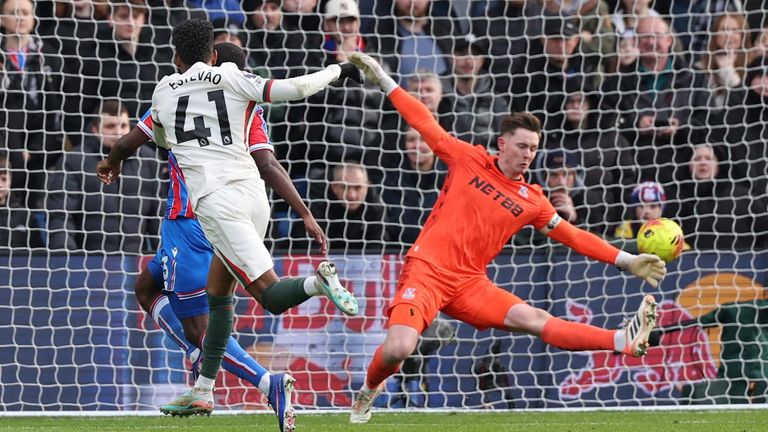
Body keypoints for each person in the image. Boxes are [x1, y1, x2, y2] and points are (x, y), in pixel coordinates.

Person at [346, 53, 667, 423]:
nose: (529, 154)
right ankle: (369, 390)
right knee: (398, 349)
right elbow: (423, 121)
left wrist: (626, 260)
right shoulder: (468, 159)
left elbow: (574, 236)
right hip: (427, 271)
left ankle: (621, 340)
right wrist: (384, 79)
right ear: (503, 143)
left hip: (470, 284)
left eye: (533, 148)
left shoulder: (532, 200)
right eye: (522, 146)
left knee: (534, 318)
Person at [95, 18, 363, 427]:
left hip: (199, 217)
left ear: (177, 56)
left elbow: (134, 140)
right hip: (251, 202)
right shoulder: (242, 96)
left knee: (250, 305)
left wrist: (110, 161)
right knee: (190, 292)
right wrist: (337, 69)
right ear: (219, 59)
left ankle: (300, 312)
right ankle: (203, 389)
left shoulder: (166, 92)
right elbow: (273, 148)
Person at [47, 101, 162, 253]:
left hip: (134, 261)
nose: (118, 132)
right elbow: (61, 215)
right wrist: (66, 259)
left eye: (123, 126)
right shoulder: (74, 161)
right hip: (88, 264)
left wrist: (164, 258)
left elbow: (159, 216)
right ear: (95, 129)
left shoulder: (149, 160)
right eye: (110, 126)